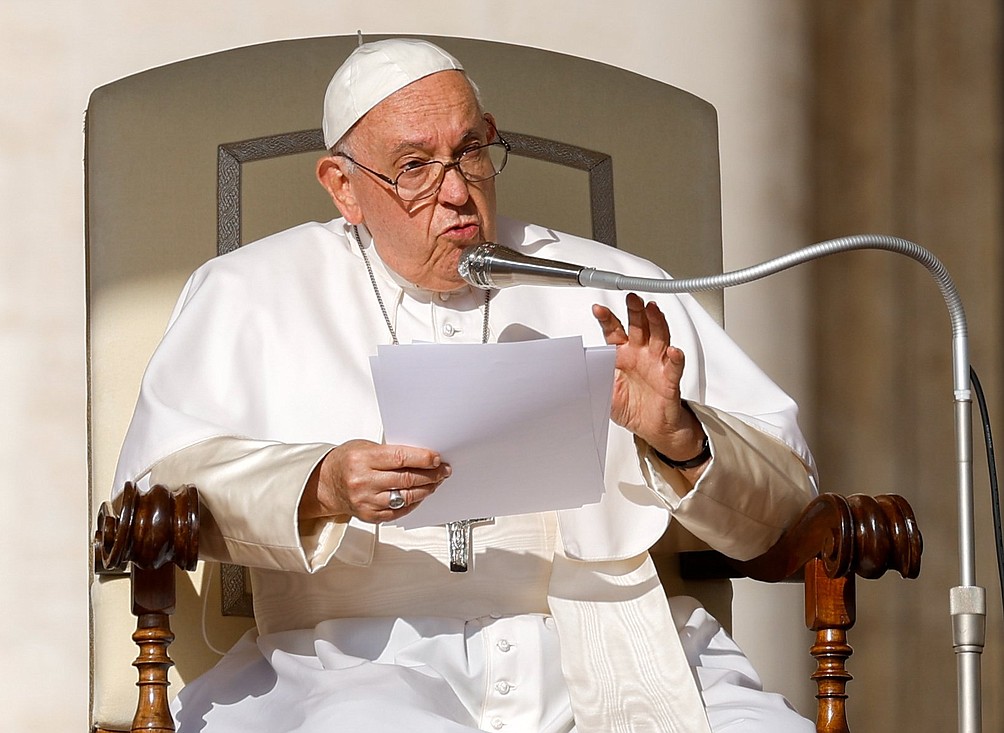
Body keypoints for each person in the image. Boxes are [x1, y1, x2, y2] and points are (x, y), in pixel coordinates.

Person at [114, 38, 819, 733]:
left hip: (612, 642)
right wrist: (320, 484)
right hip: (356, 658)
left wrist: (680, 437)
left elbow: (786, 506)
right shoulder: (250, 292)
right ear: (342, 186)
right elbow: (150, 487)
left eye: (470, 153)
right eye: (414, 166)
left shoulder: (612, 287)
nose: (456, 192)